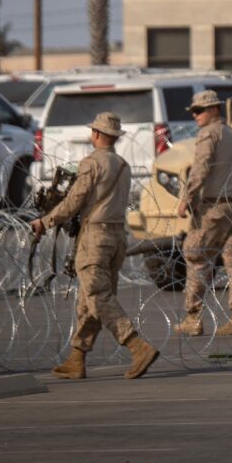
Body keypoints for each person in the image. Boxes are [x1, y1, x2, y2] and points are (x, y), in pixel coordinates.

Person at [31, 112, 159, 380]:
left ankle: (137, 346)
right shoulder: (123, 165)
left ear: (97, 135)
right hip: (116, 238)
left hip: (95, 238)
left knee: (99, 298)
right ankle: (77, 358)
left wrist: (46, 220)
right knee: (90, 301)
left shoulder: (91, 163)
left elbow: (74, 201)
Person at [174, 90, 232, 336]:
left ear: (214, 110)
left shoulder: (209, 134)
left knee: (196, 255)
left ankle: (193, 317)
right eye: (194, 111)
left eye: (199, 110)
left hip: (213, 207)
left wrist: (186, 198)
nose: (195, 115)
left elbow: (201, 168)